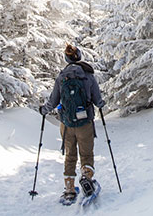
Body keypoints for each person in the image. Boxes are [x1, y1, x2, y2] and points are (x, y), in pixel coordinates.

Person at [39, 43, 105, 204]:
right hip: (85, 123)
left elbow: (53, 100)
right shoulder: (88, 75)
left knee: (70, 156)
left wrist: (43, 110)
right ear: (80, 56)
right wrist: (101, 104)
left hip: (67, 124)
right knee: (86, 154)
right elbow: (97, 100)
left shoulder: (62, 76)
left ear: (66, 58)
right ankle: (86, 177)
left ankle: (69, 189)